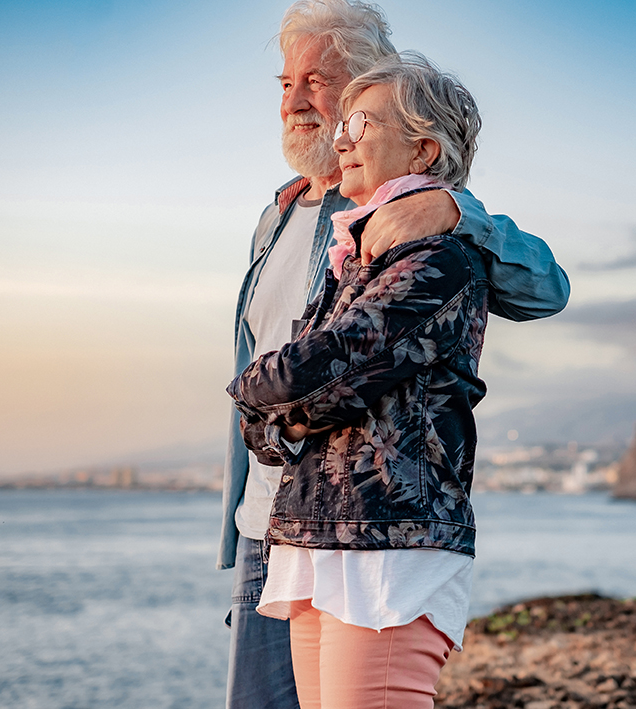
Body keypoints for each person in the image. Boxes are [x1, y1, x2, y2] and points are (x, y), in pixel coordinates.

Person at [219, 2, 570, 708]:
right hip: (278, 522)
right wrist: (262, 417)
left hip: (372, 533)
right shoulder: (276, 218)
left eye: (319, 81)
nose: (298, 101)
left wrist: (455, 210)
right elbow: (271, 376)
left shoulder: (421, 220)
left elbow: (547, 286)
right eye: (285, 83)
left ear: (361, 82)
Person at [228, 51, 489, 708]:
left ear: (423, 149)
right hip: (320, 530)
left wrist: (254, 391)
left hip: (388, 543)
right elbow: (295, 393)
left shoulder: (441, 255)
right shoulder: (356, 255)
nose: (340, 137)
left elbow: (331, 361)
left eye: (362, 125)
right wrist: (278, 401)